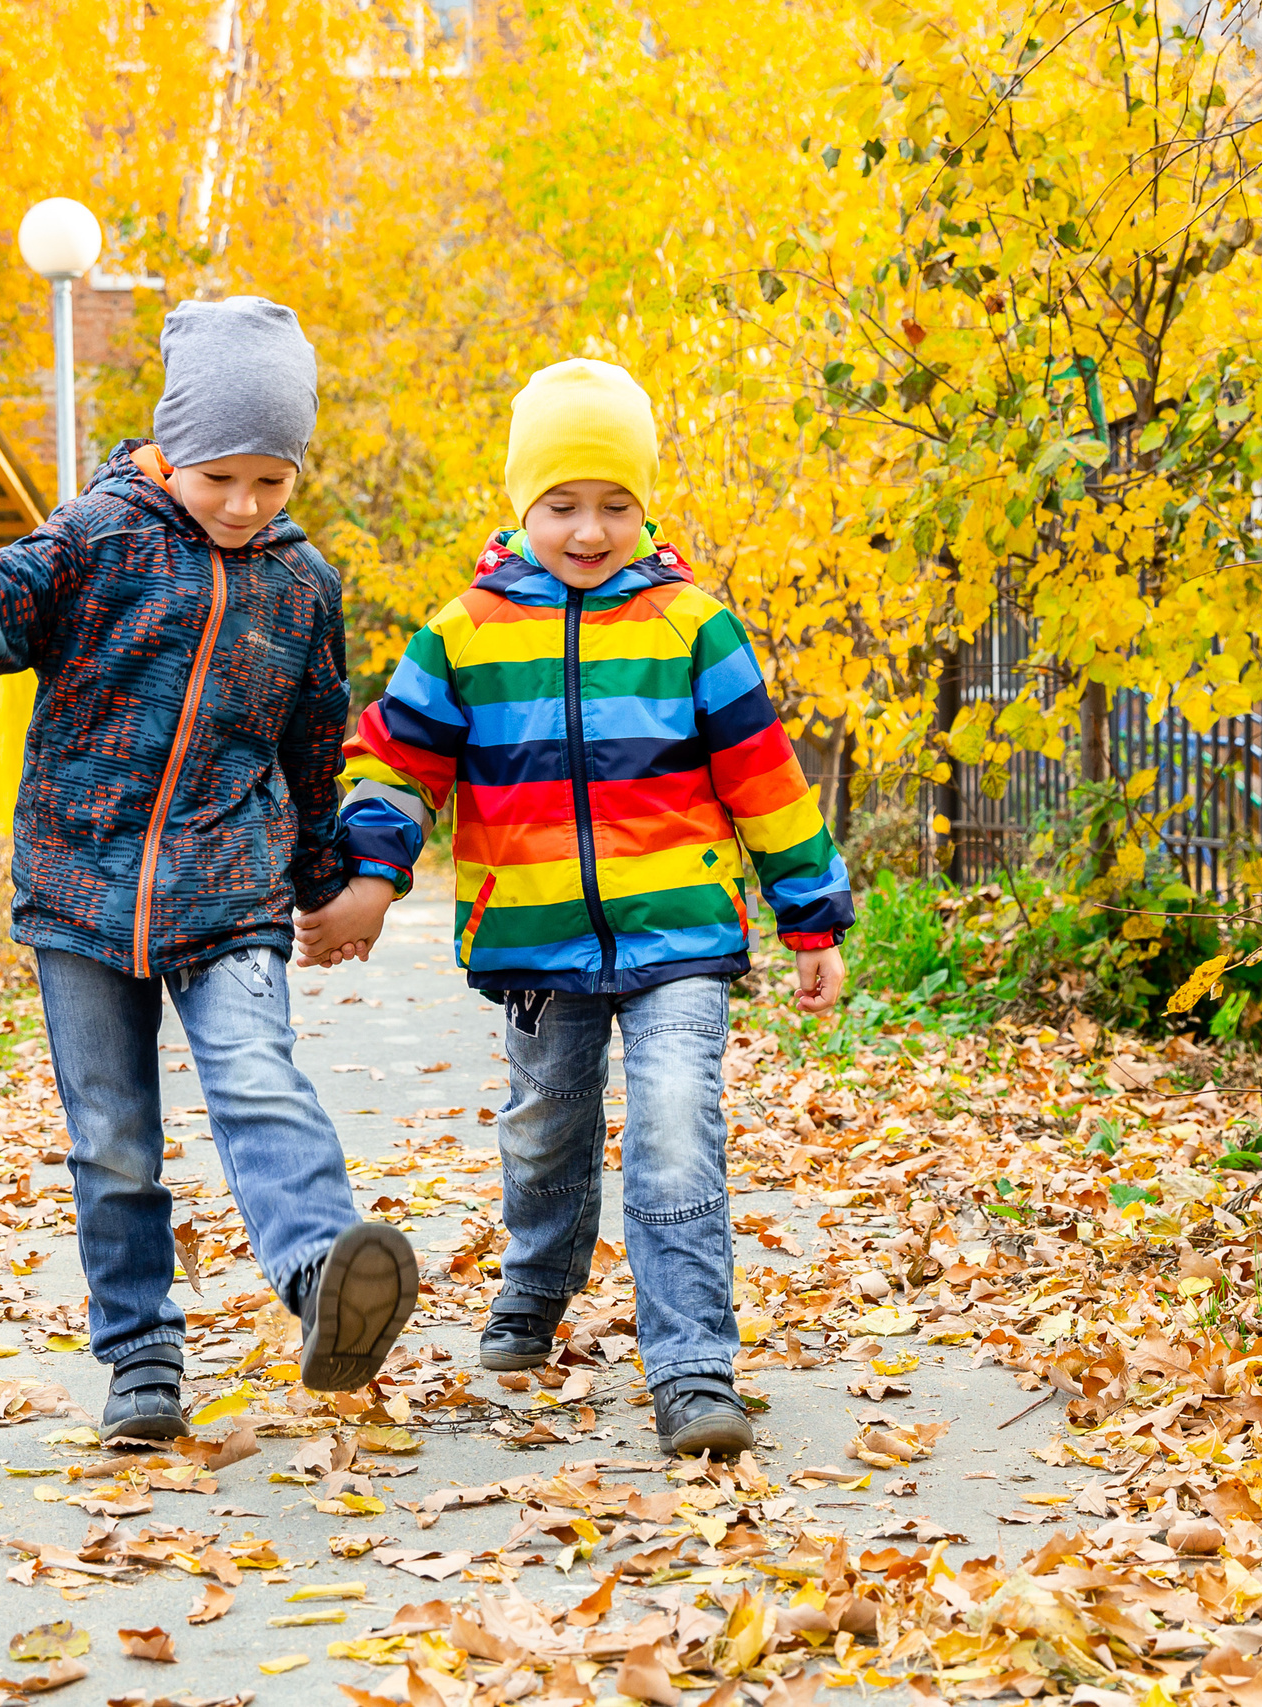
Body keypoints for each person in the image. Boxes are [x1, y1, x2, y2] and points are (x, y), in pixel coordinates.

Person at [0, 296, 418, 1441]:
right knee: (111, 1138)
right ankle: (141, 1359)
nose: (245, 506)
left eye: (271, 482)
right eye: (220, 479)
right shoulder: (97, 536)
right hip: (81, 892)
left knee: (257, 1078)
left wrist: (321, 883)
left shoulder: (302, 585)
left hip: (230, 890)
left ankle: (323, 1277)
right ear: (170, 450)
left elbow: (312, 743)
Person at [310, 358, 854, 1456]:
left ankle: (694, 1365)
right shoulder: (461, 634)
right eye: (562, 503)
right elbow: (396, 766)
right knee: (545, 1131)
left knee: (673, 1135)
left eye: (614, 503)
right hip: (534, 939)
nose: (589, 528)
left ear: (645, 506)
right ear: (520, 507)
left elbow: (762, 773)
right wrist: (370, 880)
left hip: (681, 939)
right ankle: (536, 1287)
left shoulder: (692, 626)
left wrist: (810, 917)